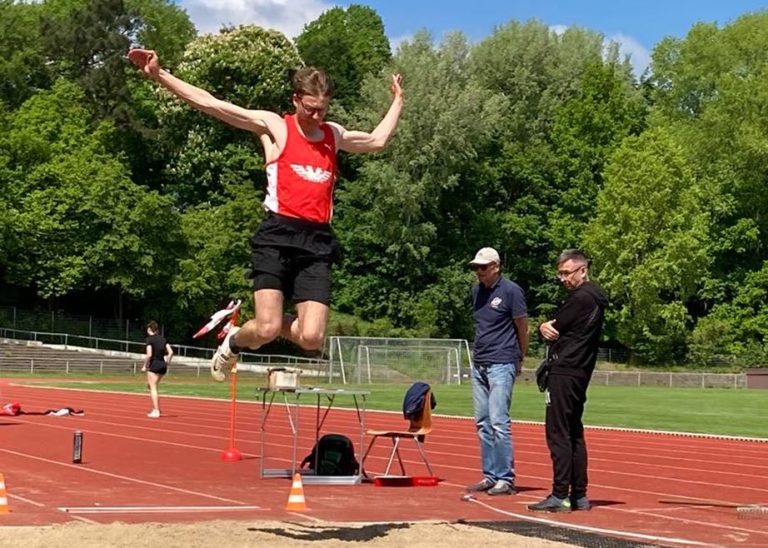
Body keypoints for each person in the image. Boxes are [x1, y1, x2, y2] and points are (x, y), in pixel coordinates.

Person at [127, 49, 404, 381]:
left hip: (317, 241)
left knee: (312, 338)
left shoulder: (334, 134)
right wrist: (161, 75)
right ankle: (233, 339)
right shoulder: (277, 126)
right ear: (296, 99)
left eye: (323, 109)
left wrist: (398, 100)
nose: (317, 116)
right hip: (277, 234)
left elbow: (376, 140)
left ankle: (255, 329)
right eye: (311, 109)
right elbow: (213, 104)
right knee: (267, 329)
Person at [528, 249, 607, 512]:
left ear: (582, 270)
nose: (562, 278)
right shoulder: (595, 298)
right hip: (581, 371)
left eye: (566, 273)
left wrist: (542, 327)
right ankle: (579, 495)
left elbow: (554, 328)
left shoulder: (581, 298)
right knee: (574, 433)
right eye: (559, 273)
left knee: (558, 433)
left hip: (565, 370)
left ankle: (560, 493)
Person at [465, 247, 528, 496]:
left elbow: (522, 326)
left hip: (502, 362)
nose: (478, 272)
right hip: (479, 362)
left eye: (482, 267)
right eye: (475, 268)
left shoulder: (511, 291)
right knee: (482, 422)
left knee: (499, 422)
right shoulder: (476, 292)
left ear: (496, 266)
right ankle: (490, 475)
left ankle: (505, 478)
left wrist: (519, 357)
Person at [142, 320, 173, 418]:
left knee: (153, 388)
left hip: (154, 364)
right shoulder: (163, 339)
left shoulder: (149, 339)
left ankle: (156, 410)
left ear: (149, 329)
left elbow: (149, 355)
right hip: (162, 365)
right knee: (152, 386)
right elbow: (171, 352)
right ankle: (156, 407)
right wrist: (168, 362)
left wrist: (145, 365)